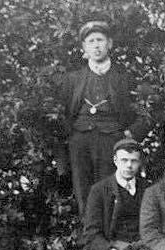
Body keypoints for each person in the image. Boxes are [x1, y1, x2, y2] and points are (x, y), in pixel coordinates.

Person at [61, 20, 149, 216]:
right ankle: (90, 242)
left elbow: (148, 111)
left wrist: (130, 135)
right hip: (80, 141)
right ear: (84, 47)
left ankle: (112, 239)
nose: (96, 45)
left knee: (110, 191)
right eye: (90, 41)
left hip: (113, 141)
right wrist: (70, 137)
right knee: (83, 192)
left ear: (109, 43)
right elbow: (62, 113)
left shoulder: (125, 78)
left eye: (100, 40)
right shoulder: (72, 79)